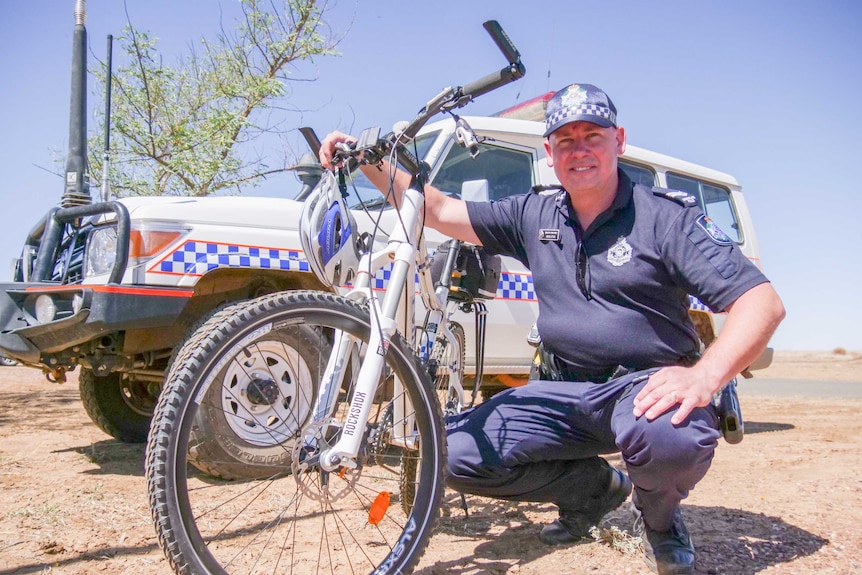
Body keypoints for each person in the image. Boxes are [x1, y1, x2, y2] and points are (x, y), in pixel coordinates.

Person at [319, 83, 785, 575]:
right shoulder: (534, 213)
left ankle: (662, 523)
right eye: (565, 140)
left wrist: (704, 376)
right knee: (452, 453)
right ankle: (594, 492)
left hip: (642, 387)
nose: (578, 150)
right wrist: (364, 159)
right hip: (563, 390)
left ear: (618, 140)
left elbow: (762, 303)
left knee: (669, 439)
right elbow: (435, 209)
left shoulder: (665, 217)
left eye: (592, 136)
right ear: (549, 152)